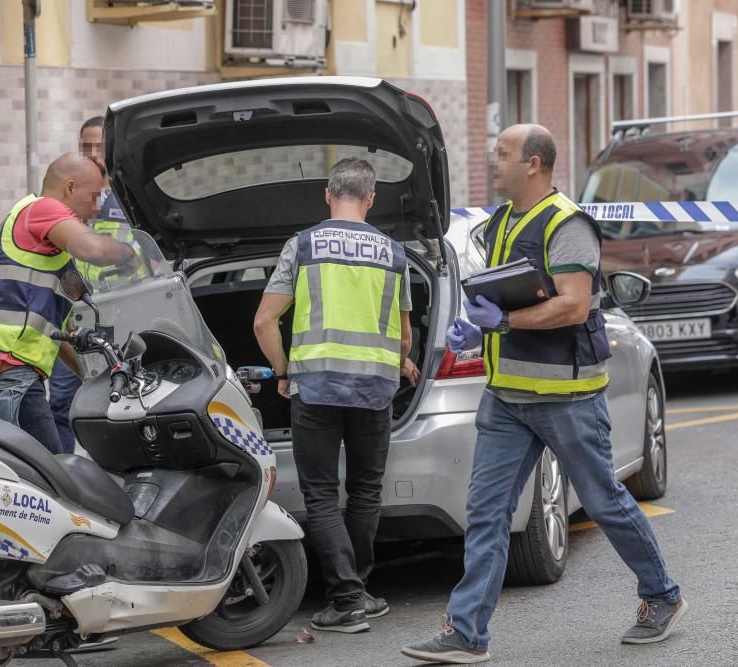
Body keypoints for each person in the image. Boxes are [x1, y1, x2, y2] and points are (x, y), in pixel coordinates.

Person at [401, 124, 686, 664]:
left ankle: (662, 596)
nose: (493, 161)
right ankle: (467, 633)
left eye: (503, 154)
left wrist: (502, 322)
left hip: (568, 397)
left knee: (604, 502)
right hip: (508, 396)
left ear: (534, 164)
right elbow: (504, 290)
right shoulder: (503, 220)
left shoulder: (567, 224)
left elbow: (574, 306)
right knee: (486, 513)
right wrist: (474, 323)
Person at [254, 158, 413, 634]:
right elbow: (404, 338)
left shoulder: (302, 246)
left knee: (321, 495)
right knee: (365, 490)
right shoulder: (395, 253)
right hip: (374, 387)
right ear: (371, 199)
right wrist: (398, 360)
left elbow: (264, 321)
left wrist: (283, 371)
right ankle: (358, 592)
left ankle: (346, 602)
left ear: (328, 195)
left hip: (317, 386)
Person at [0, 153, 138, 453]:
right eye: (94, 197)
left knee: (38, 476)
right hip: (4, 368)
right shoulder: (42, 209)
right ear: (70, 187)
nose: (96, 209)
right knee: (51, 480)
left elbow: (61, 331)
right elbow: (91, 247)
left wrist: (92, 376)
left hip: (11, 370)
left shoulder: (49, 248)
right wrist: (131, 253)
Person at [48, 116, 136, 454]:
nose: (93, 153)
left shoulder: (128, 199)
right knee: (62, 400)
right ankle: (64, 476)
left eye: (99, 146)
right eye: (86, 146)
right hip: (74, 317)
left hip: (122, 314)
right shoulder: (68, 203)